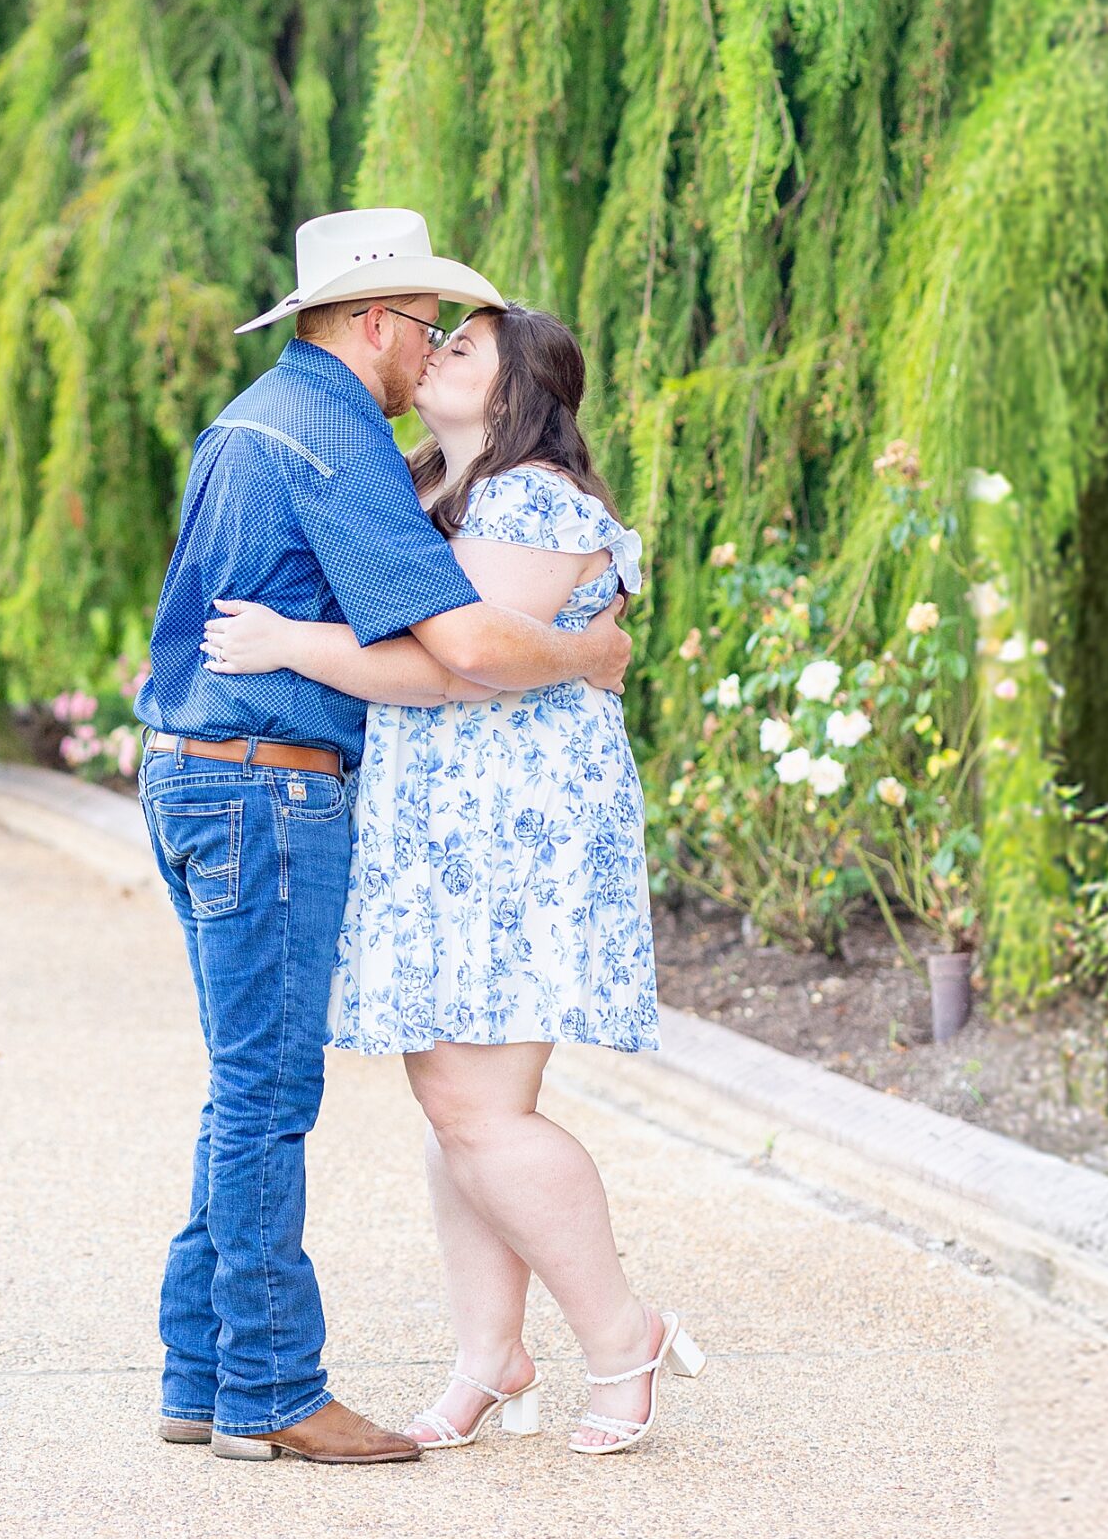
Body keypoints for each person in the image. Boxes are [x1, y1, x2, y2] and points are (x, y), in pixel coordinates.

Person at [136, 211, 632, 1467]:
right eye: (427, 328)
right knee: (264, 1092)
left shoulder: (260, 415)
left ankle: (203, 1374)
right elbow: (465, 647)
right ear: (376, 323)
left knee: (243, 1085)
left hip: (206, 777)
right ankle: (268, 1391)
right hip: (263, 787)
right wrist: (591, 651)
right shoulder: (338, 439)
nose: (434, 351)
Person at [207, 304, 704, 1458]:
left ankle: (624, 1333)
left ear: (518, 388)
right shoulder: (445, 491)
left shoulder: (531, 494)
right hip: (447, 824)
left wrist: (292, 643)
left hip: (512, 827)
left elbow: (457, 667)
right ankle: (490, 1355)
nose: (437, 354)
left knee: (481, 1112)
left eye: (465, 346)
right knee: (459, 1110)